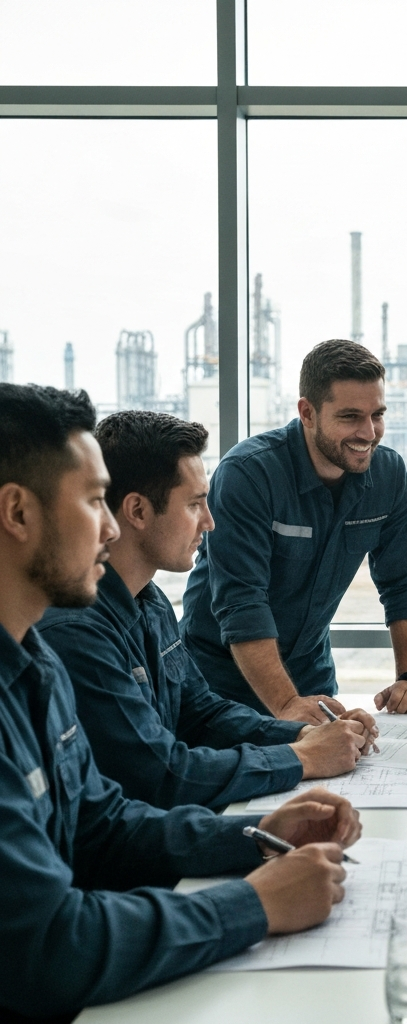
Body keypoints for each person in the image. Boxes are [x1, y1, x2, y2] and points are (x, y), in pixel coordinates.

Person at [0, 383, 362, 1020]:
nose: (108, 527)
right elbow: (49, 944)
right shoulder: (68, 638)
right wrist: (256, 903)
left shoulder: (34, 663)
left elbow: (103, 823)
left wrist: (254, 837)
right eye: (92, 502)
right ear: (18, 513)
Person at [38, 410, 377, 811]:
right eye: (196, 504)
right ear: (138, 511)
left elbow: (199, 713)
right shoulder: (78, 630)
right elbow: (162, 774)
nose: (210, 522)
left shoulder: (150, 600)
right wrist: (301, 758)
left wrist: (302, 734)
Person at [181, 340, 407, 724]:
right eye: (350, 417)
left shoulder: (389, 476)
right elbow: (243, 604)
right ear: (308, 413)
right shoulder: (248, 475)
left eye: (377, 414)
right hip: (219, 686)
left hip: (311, 678)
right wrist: (285, 706)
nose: (369, 432)